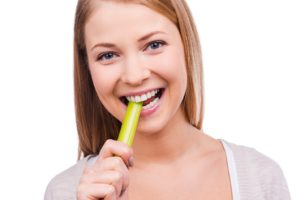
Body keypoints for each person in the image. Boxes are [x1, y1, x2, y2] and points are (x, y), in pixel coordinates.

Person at [45, 0, 290, 199]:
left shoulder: (261, 179)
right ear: (87, 67)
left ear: (186, 43)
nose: (134, 76)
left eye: (154, 44)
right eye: (108, 55)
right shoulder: (66, 192)